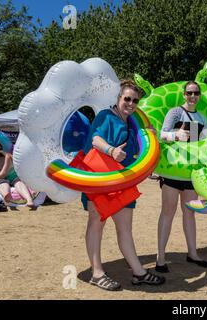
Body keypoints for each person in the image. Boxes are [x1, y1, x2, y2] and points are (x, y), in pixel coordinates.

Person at [82, 80, 165, 291]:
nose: (130, 103)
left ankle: (138, 272)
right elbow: (95, 139)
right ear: (118, 98)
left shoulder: (133, 123)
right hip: (100, 179)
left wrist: (151, 137)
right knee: (96, 223)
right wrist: (111, 150)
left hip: (123, 181)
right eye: (127, 98)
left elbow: (140, 152)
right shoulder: (106, 116)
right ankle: (97, 273)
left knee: (125, 229)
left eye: (135, 100)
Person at [155, 81, 207, 273]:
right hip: (172, 171)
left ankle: (192, 253)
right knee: (167, 213)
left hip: (190, 173)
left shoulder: (203, 118)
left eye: (195, 93)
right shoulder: (175, 112)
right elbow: (161, 134)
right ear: (184, 94)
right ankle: (160, 257)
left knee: (189, 213)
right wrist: (175, 135)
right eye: (189, 93)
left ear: (200, 95)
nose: (192, 96)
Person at [0, 141, 36, 209]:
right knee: (2, 182)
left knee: (18, 182)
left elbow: (4, 172)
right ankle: (7, 195)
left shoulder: (7, 155)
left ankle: (29, 200)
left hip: (10, 176)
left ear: (0, 146)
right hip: (2, 178)